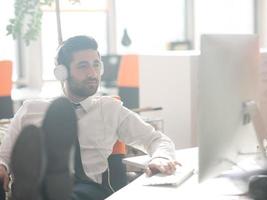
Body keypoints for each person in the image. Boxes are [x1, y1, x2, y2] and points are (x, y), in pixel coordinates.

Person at [0, 35, 178, 200]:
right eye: (83, 66)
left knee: (72, 193)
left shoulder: (109, 108)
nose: (93, 73)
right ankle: (46, 184)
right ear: (61, 73)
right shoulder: (32, 109)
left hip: (91, 189)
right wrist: (2, 167)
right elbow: (4, 155)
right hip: (42, 187)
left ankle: (49, 185)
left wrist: (160, 158)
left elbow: (156, 139)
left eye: (96, 65)